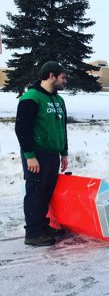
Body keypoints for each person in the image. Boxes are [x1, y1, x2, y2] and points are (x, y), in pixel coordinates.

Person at [15, 61, 70, 246]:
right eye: (63, 77)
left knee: (46, 193)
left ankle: (42, 226)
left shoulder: (59, 100)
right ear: (51, 76)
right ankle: (32, 233)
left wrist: (64, 152)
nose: (65, 80)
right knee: (35, 192)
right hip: (36, 154)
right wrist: (29, 156)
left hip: (53, 153)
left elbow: (62, 127)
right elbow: (22, 128)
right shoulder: (31, 97)